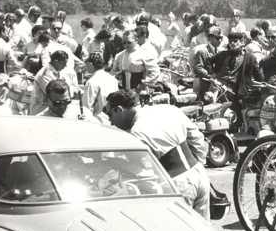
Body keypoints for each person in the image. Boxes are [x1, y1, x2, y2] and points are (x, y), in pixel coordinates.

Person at [106, 90, 211, 218]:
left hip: (178, 185)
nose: (111, 121)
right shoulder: (167, 109)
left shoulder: (137, 133)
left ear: (119, 110)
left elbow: (144, 173)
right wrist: (199, 164)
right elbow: (197, 137)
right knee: (203, 230)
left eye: (110, 115)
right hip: (199, 175)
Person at [31, 49, 70, 115]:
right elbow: (54, 92)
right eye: (63, 63)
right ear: (56, 61)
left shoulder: (55, 72)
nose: (65, 66)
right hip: (40, 110)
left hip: (52, 110)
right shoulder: (45, 73)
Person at [83, 52, 118, 119]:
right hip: (112, 119)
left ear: (90, 64)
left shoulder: (92, 82)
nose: (86, 67)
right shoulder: (113, 79)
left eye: (86, 64)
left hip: (97, 120)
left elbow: (86, 107)